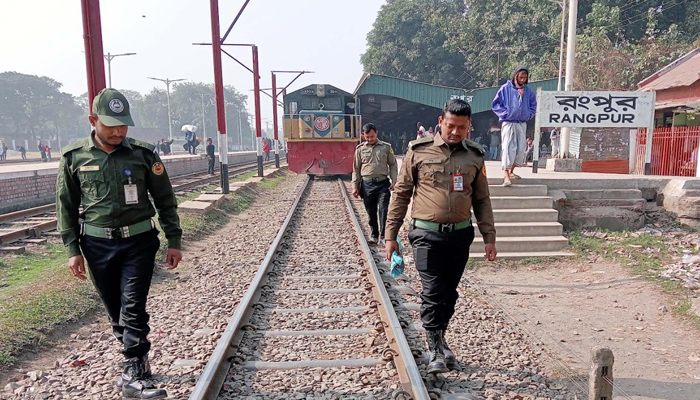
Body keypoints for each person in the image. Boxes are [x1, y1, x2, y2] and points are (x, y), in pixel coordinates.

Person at [56, 88, 182, 400]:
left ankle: (132, 368)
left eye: (123, 125)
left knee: (133, 306)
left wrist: (174, 240)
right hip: (96, 245)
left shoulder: (143, 154)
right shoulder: (74, 158)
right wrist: (73, 250)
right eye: (111, 124)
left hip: (139, 242)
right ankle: (136, 361)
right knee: (115, 309)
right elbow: (65, 206)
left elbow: (165, 200)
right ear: (93, 120)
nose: (118, 131)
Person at [385, 99, 497, 374]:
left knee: (449, 295)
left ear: (469, 126)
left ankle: (440, 338)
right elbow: (401, 194)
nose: (456, 132)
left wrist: (489, 236)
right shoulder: (418, 151)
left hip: (460, 235)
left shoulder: (475, 155)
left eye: (462, 127)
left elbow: (482, 199)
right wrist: (391, 234)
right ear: (440, 121)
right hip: (426, 234)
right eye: (450, 126)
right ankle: (434, 348)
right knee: (434, 292)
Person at [352, 123, 398, 244]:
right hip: (367, 185)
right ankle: (374, 235)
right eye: (367, 137)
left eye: (372, 136)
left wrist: (394, 180)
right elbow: (356, 169)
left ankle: (383, 236)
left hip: (383, 184)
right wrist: (355, 186)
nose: (370, 139)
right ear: (363, 136)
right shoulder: (360, 149)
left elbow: (393, 164)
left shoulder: (386, 147)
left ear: (376, 133)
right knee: (370, 211)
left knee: (383, 210)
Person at [492, 66, 537, 187]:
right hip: (509, 122)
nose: (522, 80)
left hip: (521, 123)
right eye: (521, 77)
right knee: (508, 147)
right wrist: (505, 113)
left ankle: (511, 171)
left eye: (525, 77)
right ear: (516, 76)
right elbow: (496, 104)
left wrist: (529, 114)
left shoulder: (528, 91)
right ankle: (506, 175)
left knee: (520, 149)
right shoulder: (505, 88)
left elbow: (533, 105)